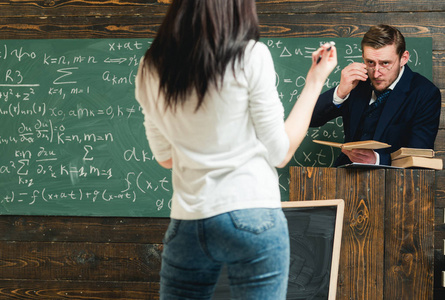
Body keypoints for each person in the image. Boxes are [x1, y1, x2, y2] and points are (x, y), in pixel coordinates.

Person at [135, 0, 337, 299]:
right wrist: (315, 81)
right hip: (251, 213)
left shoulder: (151, 65)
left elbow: (165, 158)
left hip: (189, 221)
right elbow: (280, 153)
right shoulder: (250, 56)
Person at [310, 24, 441, 167]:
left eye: (385, 63)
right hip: (344, 178)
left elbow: (419, 156)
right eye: (370, 62)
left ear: (403, 58)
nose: (376, 73)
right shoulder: (357, 83)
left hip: (394, 183)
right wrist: (340, 92)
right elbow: (309, 119)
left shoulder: (425, 93)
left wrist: (377, 160)